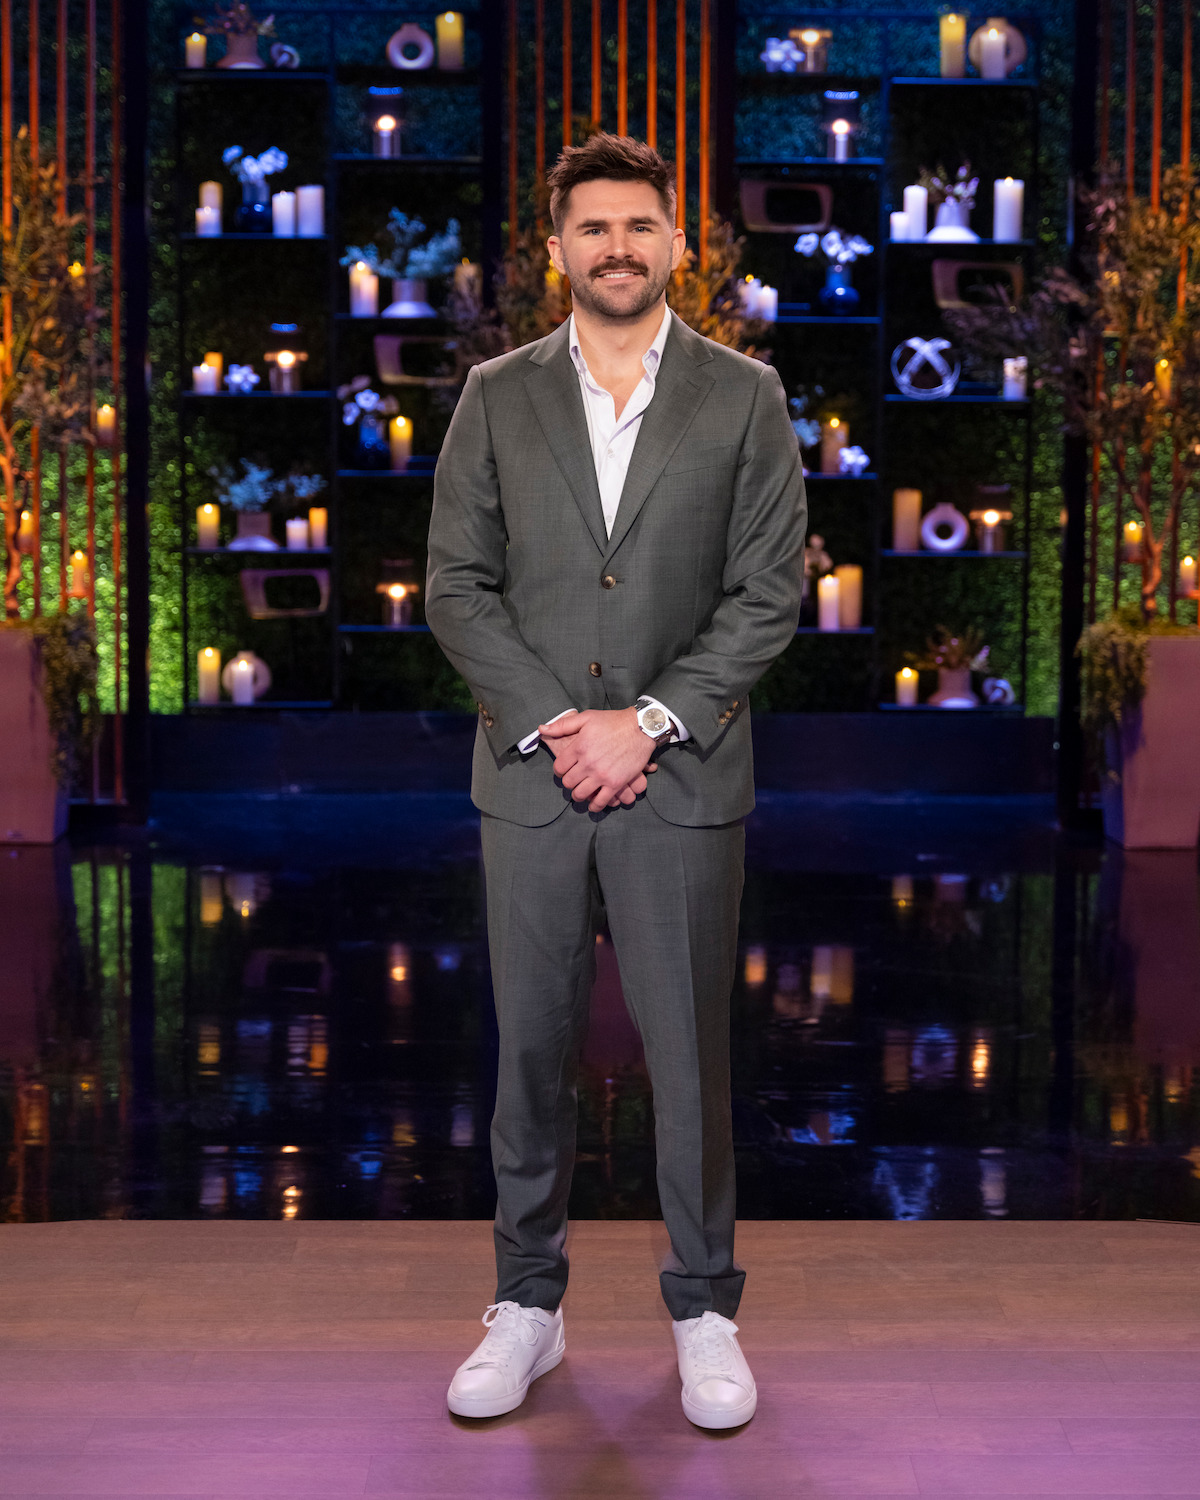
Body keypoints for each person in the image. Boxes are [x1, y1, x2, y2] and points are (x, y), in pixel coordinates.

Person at [425, 133, 806, 1430]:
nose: (618, 248)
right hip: (532, 783)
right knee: (529, 1053)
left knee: (690, 1057)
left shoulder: (745, 394)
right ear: (556, 250)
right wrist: (557, 723)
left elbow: (768, 596)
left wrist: (644, 721)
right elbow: (457, 587)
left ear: (677, 244)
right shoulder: (494, 393)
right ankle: (526, 1305)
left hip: (682, 779)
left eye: (639, 226)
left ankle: (705, 1310)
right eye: (592, 228)